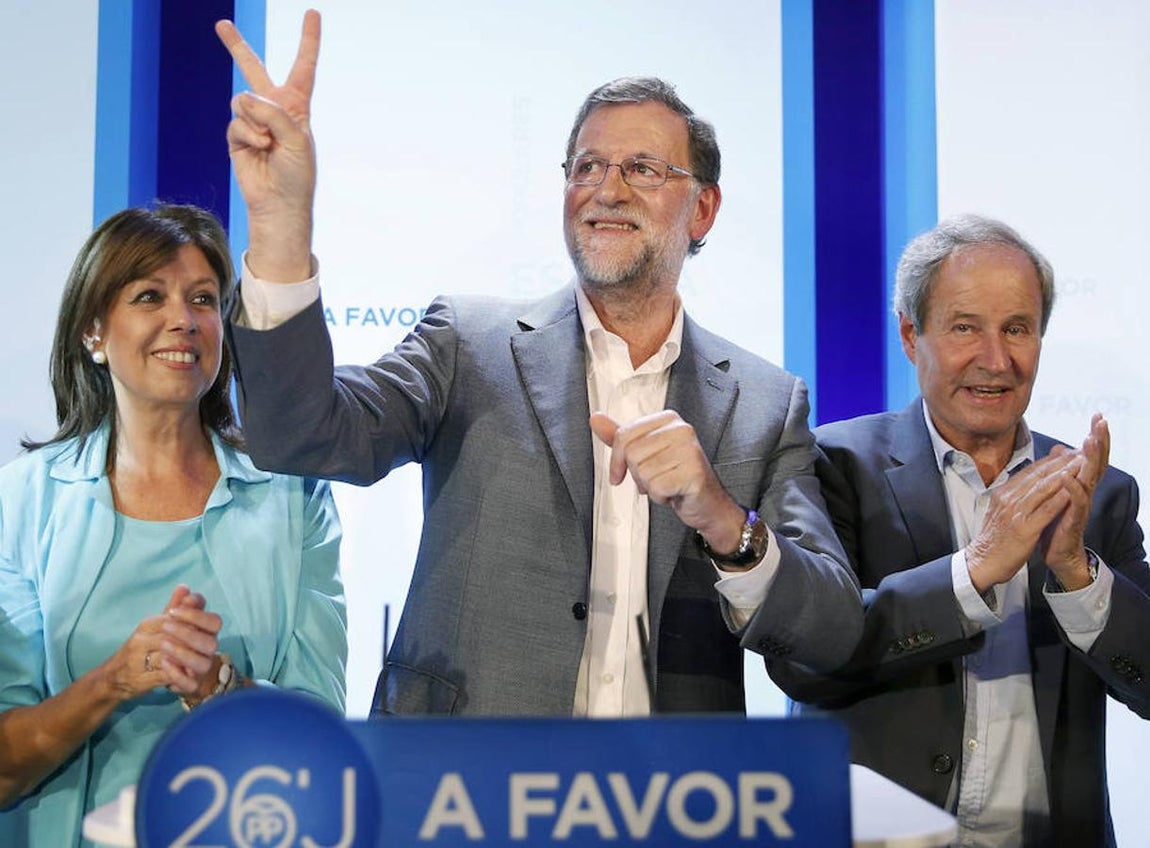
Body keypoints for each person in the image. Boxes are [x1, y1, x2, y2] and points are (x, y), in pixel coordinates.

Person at [214, 11, 862, 718]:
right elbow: (300, 433)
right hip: (463, 793)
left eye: (642, 169)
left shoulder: (766, 405)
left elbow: (831, 633)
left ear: (702, 209)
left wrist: (724, 521)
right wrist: (280, 227)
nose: (606, 189)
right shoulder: (467, 343)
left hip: (667, 806)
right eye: (587, 166)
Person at [779, 215, 1150, 846]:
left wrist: (1076, 575)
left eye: (1017, 329)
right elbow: (805, 662)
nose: (996, 359)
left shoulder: (1098, 492)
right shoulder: (833, 464)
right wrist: (975, 568)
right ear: (909, 335)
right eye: (964, 328)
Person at [0, 204, 346, 846]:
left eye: (204, 299)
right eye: (150, 296)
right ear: (93, 333)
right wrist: (114, 680)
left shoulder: (293, 496)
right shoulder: (21, 499)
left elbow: (322, 735)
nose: (182, 320)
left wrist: (219, 689)